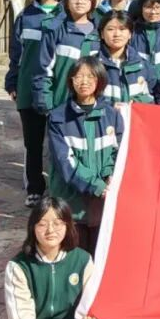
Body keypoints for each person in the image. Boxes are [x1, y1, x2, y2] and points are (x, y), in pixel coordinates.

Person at [5, 196, 109, 319]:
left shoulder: (83, 260)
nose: (50, 230)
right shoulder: (19, 267)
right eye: (42, 224)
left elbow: (91, 303)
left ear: (68, 225)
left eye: (57, 223)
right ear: (33, 227)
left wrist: (89, 317)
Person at [46, 57, 123, 253]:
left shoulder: (112, 115)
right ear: (71, 80)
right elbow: (65, 163)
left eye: (90, 76)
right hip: (71, 202)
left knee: (101, 256)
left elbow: (118, 153)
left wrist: (109, 177)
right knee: (74, 257)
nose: (84, 81)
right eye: (78, 76)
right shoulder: (58, 118)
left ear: (100, 80)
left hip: (103, 204)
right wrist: (97, 186)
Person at [6, 0, 63, 207]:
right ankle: (35, 188)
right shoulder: (25, 17)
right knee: (33, 143)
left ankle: (61, 188)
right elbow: (16, 54)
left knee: (61, 141)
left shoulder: (66, 15)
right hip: (29, 89)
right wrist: (12, 82)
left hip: (60, 90)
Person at [33, 0, 99, 114]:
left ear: (92, 2)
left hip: (92, 107)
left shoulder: (100, 33)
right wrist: (45, 104)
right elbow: (43, 69)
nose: (80, 1)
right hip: (60, 104)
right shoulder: (56, 30)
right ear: (67, 2)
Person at [96, 11, 156, 104]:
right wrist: (111, 106)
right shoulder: (93, 66)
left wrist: (136, 104)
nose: (117, 34)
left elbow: (153, 99)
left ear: (130, 34)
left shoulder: (144, 66)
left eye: (122, 29)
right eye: (110, 29)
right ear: (102, 34)